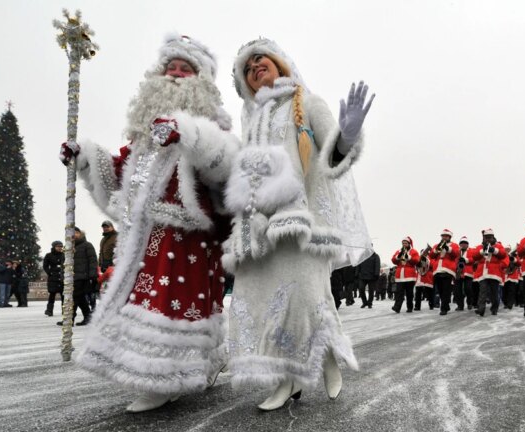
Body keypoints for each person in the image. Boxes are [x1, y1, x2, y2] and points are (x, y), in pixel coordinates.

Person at [62, 34, 238, 412]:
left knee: (174, 305)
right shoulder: (145, 137)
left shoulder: (212, 127)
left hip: (186, 238)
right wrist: (84, 158)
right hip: (142, 237)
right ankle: (186, 366)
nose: (175, 75)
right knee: (150, 302)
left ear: (201, 80)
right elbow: (118, 173)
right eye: (170, 68)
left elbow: (224, 165)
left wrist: (187, 135)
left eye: (184, 70)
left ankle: (163, 376)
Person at [223, 38, 374, 411]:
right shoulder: (251, 121)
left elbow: (332, 156)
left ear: (279, 64)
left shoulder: (304, 102)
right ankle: (286, 379)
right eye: (248, 67)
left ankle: (326, 357)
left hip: (301, 224)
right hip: (258, 230)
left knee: (305, 298)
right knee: (265, 304)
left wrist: (349, 134)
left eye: (262, 60)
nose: (256, 67)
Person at [55, 228, 96, 326]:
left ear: (80, 234)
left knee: (73, 297)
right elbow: (63, 264)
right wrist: (63, 276)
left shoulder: (87, 245)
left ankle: (69, 319)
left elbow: (93, 261)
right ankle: (88, 316)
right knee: (80, 298)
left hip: (82, 276)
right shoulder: (67, 247)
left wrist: (92, 275)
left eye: (76, 233)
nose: (73, 235)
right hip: (70, 277)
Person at [472, 229, 507, 317]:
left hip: (494, 272)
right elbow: (474, 256)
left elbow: (503, 254)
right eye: (486, 237)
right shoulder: (480, 246)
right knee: (482, 291)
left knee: (494, 292)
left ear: (493, 237)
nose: (488, 239)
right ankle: (481, 309)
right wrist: (482, 251)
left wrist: (494, 250)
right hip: (483, 272)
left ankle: (494, 308)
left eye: (490, 237)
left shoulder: (498, 246)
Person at [430, 229, 460, 315]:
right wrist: (436, 250)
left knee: (446, 290)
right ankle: (446, 305)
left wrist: (448, 248)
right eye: (443, 236)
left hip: (448, 270)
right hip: (437, 270)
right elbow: (431, 255)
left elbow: (456, 254)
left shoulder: (454, 245)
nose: (444, 238)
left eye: (446, 236)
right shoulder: (436, 245)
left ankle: (443, 308)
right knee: (440, 290)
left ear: (449, 237)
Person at [391, 237, 420, 313]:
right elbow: (393, 260)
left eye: (406, 243)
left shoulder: (413, 251)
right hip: (400, 275)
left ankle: (410, 307)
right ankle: (397, 307)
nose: (404, 244)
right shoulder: (399, 251)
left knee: (409, 293)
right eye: (403, 243)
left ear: (409, 244)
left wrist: (409, 257)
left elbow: (417, 261)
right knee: (399, 293)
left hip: (409, 275)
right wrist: (398, 257)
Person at [43, 241, 65, 317]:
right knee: (52, 294)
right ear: (54, 247)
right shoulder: (49, 255)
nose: (60, 248)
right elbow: (45, 266)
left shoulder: (64, 255)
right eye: (58, 246)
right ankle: (49, 310)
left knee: (64, 295)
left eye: (61, 246)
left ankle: (64, 311)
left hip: (62, 277)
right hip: (53, 278)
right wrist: (50, 273)